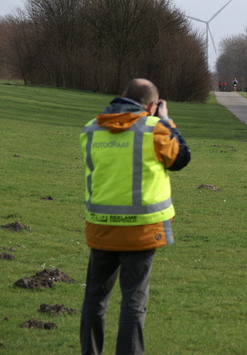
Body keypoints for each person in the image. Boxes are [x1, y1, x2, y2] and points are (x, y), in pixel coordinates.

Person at [79, 78, 191, 355]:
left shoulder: (91, 129)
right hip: (142, 230)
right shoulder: (155, 130)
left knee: (95, 298)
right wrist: (167, 120)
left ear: (122, 95)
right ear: (152, 105)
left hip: (101, 227)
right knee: (133, 301)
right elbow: (181, 159)